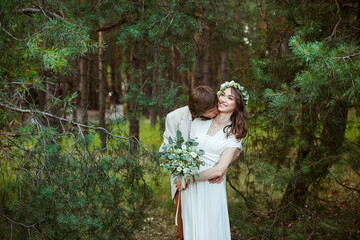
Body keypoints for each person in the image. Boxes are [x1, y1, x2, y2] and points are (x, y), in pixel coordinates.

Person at [180, 81, 249, 240]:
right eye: (222, 94)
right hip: (190, 188)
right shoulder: (199, 122)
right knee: (192, 228)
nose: (223, 99)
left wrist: (189, 179)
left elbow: (219, 170)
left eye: (230, 98)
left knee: (210, 231)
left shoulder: (234, 133)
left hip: (210, 187)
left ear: (237, 106)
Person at [160, 86, 219, 240]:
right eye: (213, 109)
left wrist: (223, 168)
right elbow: (167, 150)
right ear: (200, 110)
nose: (217, 111)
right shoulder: (174, 118)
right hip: (183, 183)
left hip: (207, 181)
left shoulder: (216, 117)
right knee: (183, 229)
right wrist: (179, 175)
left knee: (206, 228)